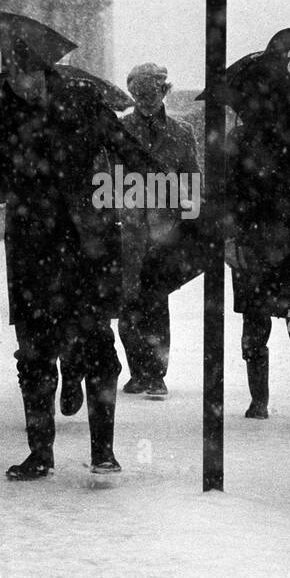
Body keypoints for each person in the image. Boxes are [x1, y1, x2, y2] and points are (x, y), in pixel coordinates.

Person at [0, 62, 145, 480]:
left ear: (44, 70)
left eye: (29, 73)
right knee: (34, 354)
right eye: (13, 76)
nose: (22, 83)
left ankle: (104, 453)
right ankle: (40, 453)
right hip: (30, 247)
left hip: (86, 245)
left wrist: (146, 192)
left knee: (98, 347)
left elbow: (129, 152)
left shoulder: (81, 101)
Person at [227, 122, 290, 427]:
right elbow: (230, 193)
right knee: (271, 326)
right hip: (269, 248)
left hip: (283, 249)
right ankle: (268, 402)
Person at [117, 63, 200, 397]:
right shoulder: (119, 130)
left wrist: (192, 221)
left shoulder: (181, 133)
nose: (146, 99)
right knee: (127, 303)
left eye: (152, 91)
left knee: (156, 302)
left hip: (166, 230)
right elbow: (108, 176)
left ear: (164, 91)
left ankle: (156, 372)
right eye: (139, 93)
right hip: (129, 230)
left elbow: (192, 180)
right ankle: (138, 370)